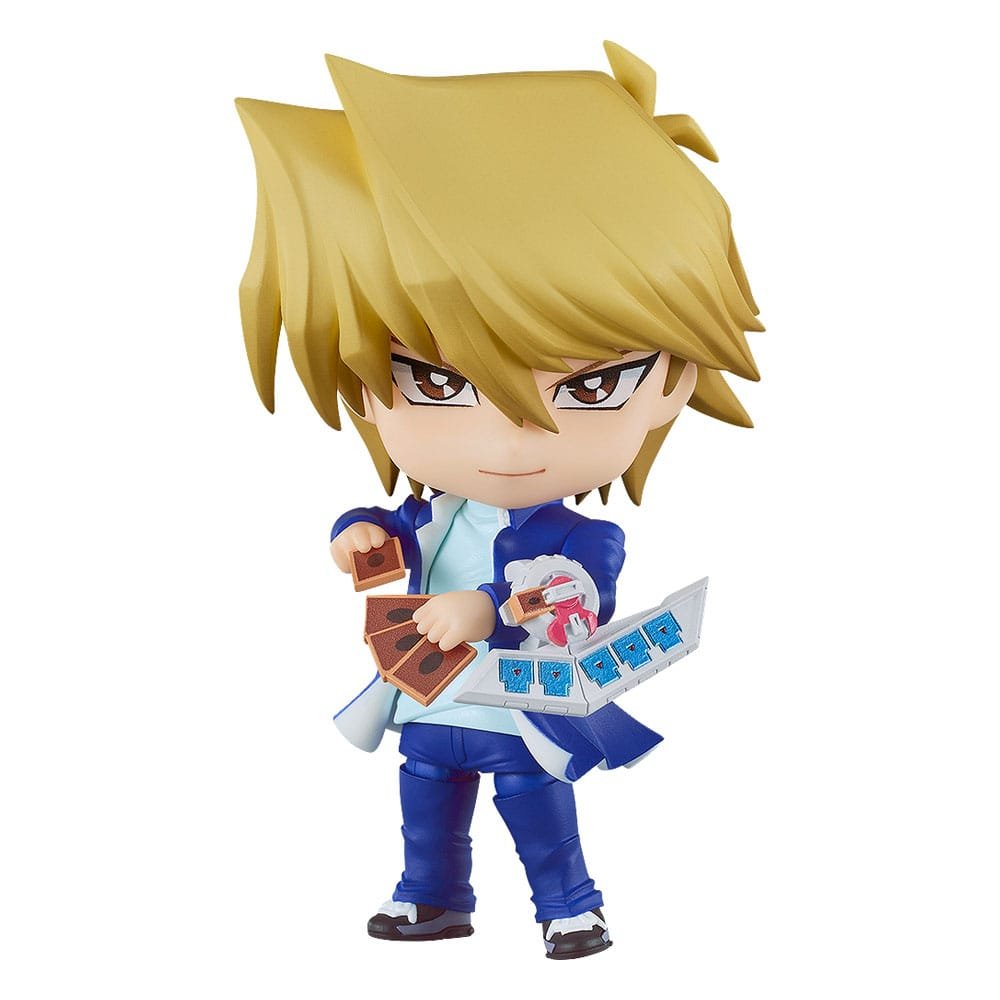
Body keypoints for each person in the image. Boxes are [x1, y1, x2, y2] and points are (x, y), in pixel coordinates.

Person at [236, 41, 763, 959]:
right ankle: (430, 896)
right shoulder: (434, 514)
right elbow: (391, 531)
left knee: (536, 812)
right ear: (363, 384)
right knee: (425, 805)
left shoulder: (580, 535)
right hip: (428, 707)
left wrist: (484, 607)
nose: (509, 439)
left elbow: (576, 594)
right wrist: (354, 532)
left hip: (520, 710)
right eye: (437, 384)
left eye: (591, 386)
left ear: (673, 382)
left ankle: (570, 906)